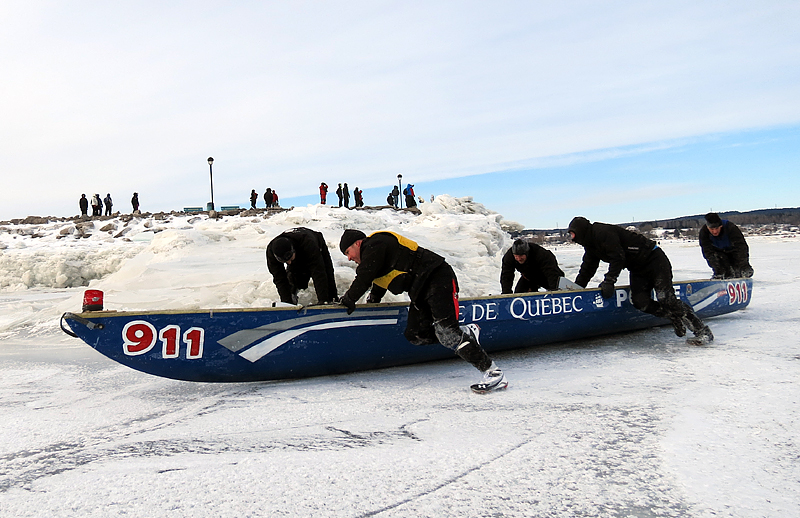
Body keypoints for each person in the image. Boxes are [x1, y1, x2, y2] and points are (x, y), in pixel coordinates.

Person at [338, 229, 508, 393]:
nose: (349, 258)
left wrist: (348, 300)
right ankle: (465, 333)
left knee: (447, 332)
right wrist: (372, 301)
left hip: (437, 277)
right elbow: (377, 281)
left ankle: (494, 373)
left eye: (348, 251)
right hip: (420, 290)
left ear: (358, 243)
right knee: (415, 334)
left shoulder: (376, 243)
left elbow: (365, 276)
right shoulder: (374, 259)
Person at [568, 216, 713, 345]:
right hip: (638, 269)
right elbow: (588, 268)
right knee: (640, 302)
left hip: (654, 259)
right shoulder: (591, 245)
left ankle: (702, 331)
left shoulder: (602, 232)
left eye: (573, 234)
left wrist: (609, 280)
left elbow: (618, 257)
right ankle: (673, 316)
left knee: (666, 298)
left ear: (581, 231)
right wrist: (577, 288)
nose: (572, 238)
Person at [266, 227, 338, 305]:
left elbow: (318, 273)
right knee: (297, 281)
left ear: (293, 250)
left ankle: (332, 299)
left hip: (314, 243)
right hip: (297, 248)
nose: (289, 262)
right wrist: (287, 303)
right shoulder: (271, 252)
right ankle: (292, 298)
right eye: (285, 261)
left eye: (290, 258)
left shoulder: (308, 244)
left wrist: (323, 300)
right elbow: (279, 279)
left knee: (327, 275)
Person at [699, 213, 754, 279]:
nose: (715, 231)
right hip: (719, 253)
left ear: (721, 226)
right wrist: (718, 269)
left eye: (717, 228)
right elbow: (708, 252)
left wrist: (743, 265)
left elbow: (741, 247)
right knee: (723, 270)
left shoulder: (730, 227)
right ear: (708, 227)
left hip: (734, 251)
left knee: (739, 269)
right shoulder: (704, 232)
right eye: (712, 229)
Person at [500, 239, 566, 294]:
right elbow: (506, 276)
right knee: (518, 294)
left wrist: (555, 292)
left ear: (527, 253)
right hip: (528, 277)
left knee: (554, 288)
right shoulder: (509, 257)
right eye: (516, 256)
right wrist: (506, 293)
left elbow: (551, 273)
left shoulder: (541, 254)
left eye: (521, 256)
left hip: (547, 276)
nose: (519, 258)